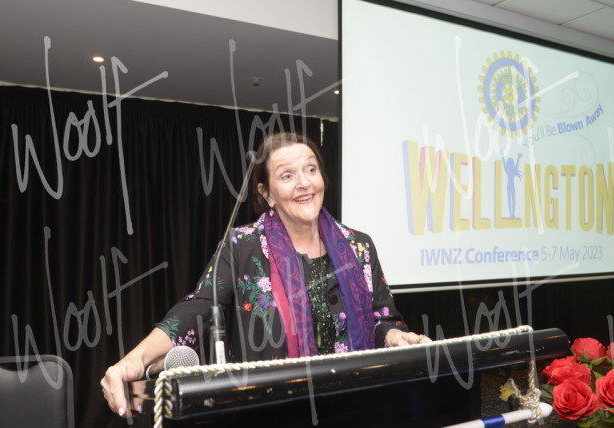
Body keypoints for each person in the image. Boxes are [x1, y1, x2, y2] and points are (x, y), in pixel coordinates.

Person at [100, 132, 430, 417]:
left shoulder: (359, 246)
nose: (304, 183)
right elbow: (197, 308)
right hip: (272, 414)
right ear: (267, 193)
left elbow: (383, 320)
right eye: (287, 175)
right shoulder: (242, 247)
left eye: (311, 169)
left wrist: (394, 336)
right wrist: (135, 360)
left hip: (360, 408)